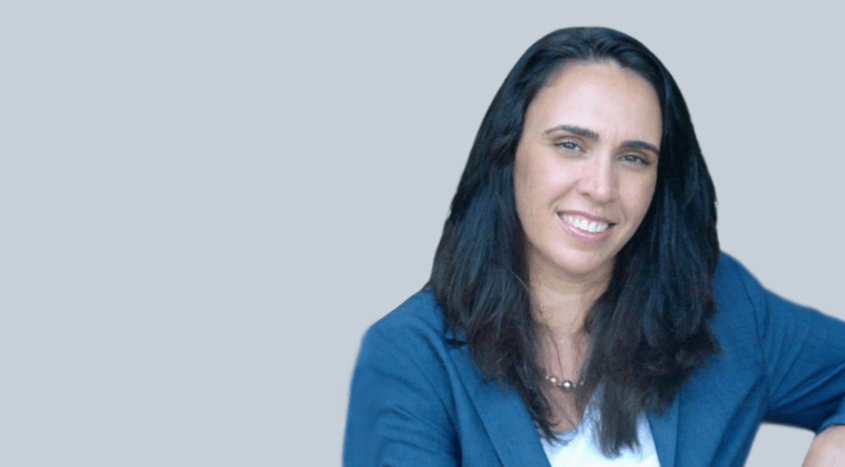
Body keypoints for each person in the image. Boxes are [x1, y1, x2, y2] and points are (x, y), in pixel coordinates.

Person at [342, 27, 845, 466]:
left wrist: (835, 448)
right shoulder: (409, 358)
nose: (601, 187)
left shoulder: (722, 306)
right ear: (507, 151)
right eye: (570, 145)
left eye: (633, 157)